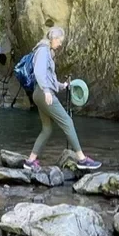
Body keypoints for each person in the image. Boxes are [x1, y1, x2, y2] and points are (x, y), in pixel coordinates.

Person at [24, 26, 101, 172]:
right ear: (54, 38)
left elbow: (49, 78)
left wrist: (63, 85)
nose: (60, 44)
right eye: (60, 41)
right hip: (43, 93)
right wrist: (47, 91)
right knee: (67, 121)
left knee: (46, 129)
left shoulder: (47, 51)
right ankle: (82, 159)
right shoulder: (43, 51)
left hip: (39, 93)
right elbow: (39, 73)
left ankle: (30, 161)